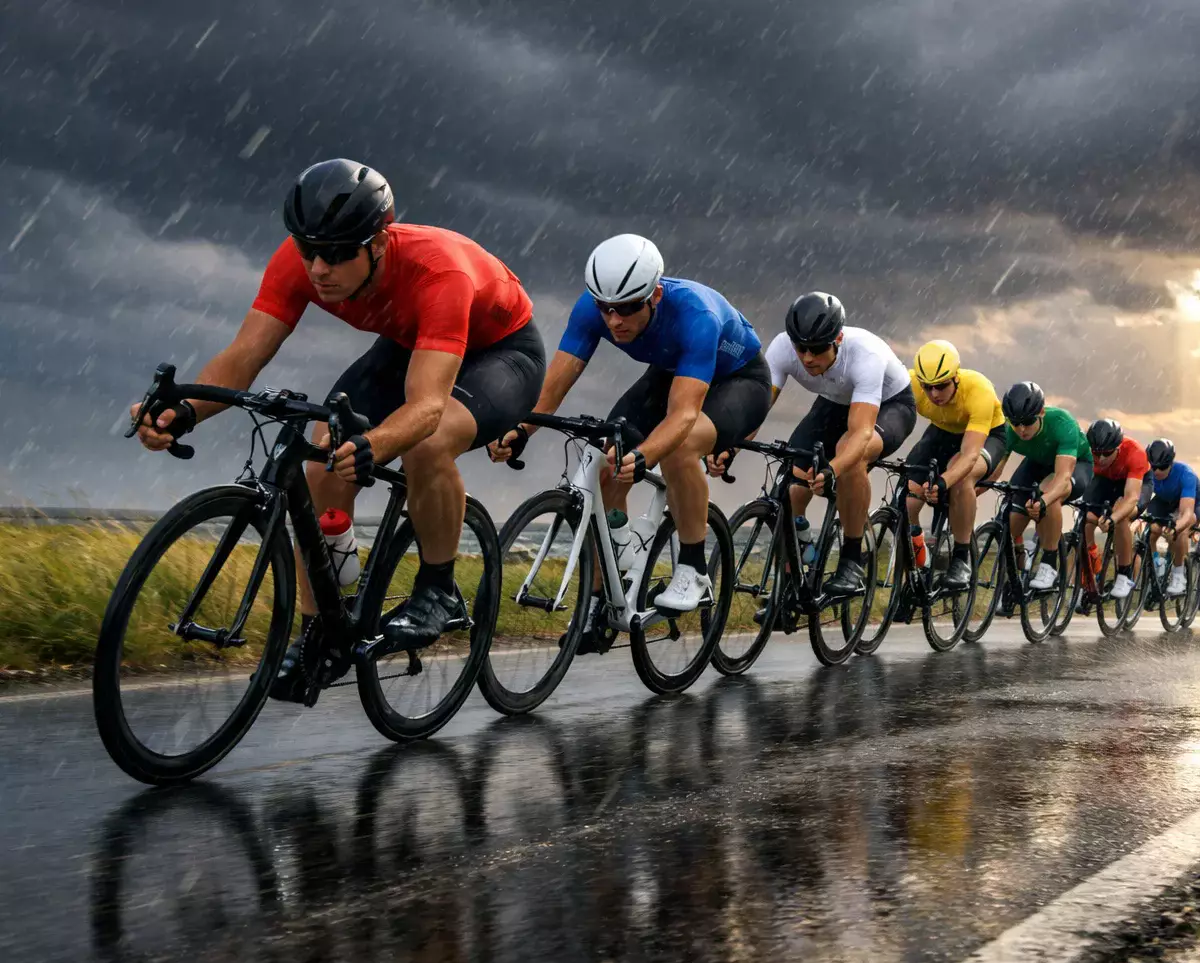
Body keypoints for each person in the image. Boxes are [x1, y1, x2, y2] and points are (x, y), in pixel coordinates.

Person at [131, 158, 545, 697]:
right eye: (309, 252)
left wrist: (376, 444)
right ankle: (324, 630)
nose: (319, 268)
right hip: (408, 344)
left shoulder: (438, 272)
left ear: (377, 243)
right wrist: (182, 410)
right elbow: (245, 355)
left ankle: (440, 589)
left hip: (502, 353)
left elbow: (426, 408)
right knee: (322, 458)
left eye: (336, 254)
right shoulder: (299, 261)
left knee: (429, 442)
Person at [492, 234, 772, 613]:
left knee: (677, 448)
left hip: (739, 381)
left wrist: (645, 456)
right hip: (672, 370)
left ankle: (694, 570)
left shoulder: (696, 315)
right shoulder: (592, 310)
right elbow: (555, 384)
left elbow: (684, 415)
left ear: (655, 295)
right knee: (607, 457)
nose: (614, 320)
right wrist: (521, 427)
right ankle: (598, 602)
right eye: (605, 308)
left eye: (626, 308)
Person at [719, 292, 915, 597]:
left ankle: (852, 561)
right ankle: (795, 567)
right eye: (801, 349)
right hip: (833, 403)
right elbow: (757, 408)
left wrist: (834, 469)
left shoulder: (865, 354)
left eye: (817, 349)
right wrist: (731, 445)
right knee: (793, 477)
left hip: (891, 406)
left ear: (837, 338)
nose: (807, 358)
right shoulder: (783, 348)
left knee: (850, 454)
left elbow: (862, 433)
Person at [905, 340, 1008, 591]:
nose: (934, 395)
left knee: (961, 478)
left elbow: (970, 454)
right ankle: (918, 558)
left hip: (988, 435)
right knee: (907, 497)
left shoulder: (979, 389)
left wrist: (943, 481)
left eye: (941, 386)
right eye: (927, 387)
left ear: (956, 378)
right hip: (941, 432)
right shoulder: (908, 382)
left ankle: (962, 557)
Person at [994, 382, 1092, 593]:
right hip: (1037, 462)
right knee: (1012, 518)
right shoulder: (1010, 431)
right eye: (1015, 423)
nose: (1021, 429)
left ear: (1040, 413)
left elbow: (1063, 477)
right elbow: (995, 470)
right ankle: (1018, 572)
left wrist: (1043, 501)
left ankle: (1049, 563)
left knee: (1049, 493)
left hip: (1075, 465)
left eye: (1028, 422)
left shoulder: (1062, 422)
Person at [1084, 419, 1149, 601]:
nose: (1101, 458)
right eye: (1096, 453)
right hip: (1106, 479)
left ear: (1118, 447)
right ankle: (1093, 567)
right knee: (1085, 517)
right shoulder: (1091, 453)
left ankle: (1125, 574)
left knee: (1122, 515)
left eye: (1107, 453)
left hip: (1134, 483)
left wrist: (1112, 519)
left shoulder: (1135, 452)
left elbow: (1131, 498)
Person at [1139, 438, 1200, 597]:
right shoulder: (1147, 471)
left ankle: (1179, 575)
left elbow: (1186, 513)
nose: (1157, 471)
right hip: (1164, 500)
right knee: (1152, 528)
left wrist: (1176, 527)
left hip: (1190, 503)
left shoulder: (1186, 474)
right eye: (1154, 467)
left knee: (1180, 530)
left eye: (1162, 467)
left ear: (1171, 463)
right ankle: (1157, 563)